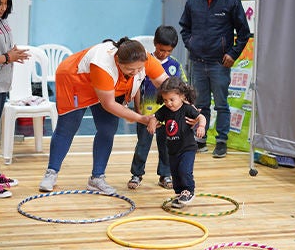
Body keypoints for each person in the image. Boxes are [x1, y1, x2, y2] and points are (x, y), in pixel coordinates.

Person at [39, 37, 168, 193]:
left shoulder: (143, 58)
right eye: (130, 70)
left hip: (107, 86)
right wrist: (141, 118)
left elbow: (167, 83)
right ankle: (51, 173)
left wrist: (186, 103)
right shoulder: (103, 65)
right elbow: (109, 104)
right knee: (67, 128)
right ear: (118, 62)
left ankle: (97, 178)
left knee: (107, 129)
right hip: (75, 81)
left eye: (139, 69)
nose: (135, 73)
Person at [179, 0, 250, 158]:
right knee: (200, 104)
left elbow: (244, 33)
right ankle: (200, 140)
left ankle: (221, 141)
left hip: (220, 63)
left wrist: (233, 54)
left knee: (221, 104)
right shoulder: (192, 2)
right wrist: (190, 44)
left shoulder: (231, 2)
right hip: (198, 61)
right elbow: (184, 28)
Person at [127, 25, 186, 190]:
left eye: (168, 51)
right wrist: (137, 109)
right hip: (147, 114)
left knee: (167, 146)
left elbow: (181, 89)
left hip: (168, 115)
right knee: (142, 145)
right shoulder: (143, 63)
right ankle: (136, 174)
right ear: (154, 43)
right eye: (161, 49)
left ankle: (165, 175)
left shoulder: (175, 66)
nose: (163, 54)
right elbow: (137, 86)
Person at [0, 0, 29, 198]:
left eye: (5, 3)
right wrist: (6, 57)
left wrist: (14, 54)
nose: (3, 8)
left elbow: (1, 49)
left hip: (1, 83)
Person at [147, 76, 206, 208]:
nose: (169, 103)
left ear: (182, 96)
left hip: (187, 148)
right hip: (172, 150)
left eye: (172, 100)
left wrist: (201, 126)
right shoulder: (165, 110)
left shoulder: (187, 109)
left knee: (184, 171)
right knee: (175, 173)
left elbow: (201, 116)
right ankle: (180, 194)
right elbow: (154, 117)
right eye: (165, 100)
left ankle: (189, 191)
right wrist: (152, 122)